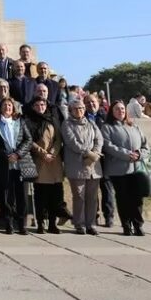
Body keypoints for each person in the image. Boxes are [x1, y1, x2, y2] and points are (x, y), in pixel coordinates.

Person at [102, 101, 149, 236]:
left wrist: (139, 154)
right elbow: (108, 146)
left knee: (137, 199)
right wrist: (127, 154)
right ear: (112, 111)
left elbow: (146, 146)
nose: (120, 111)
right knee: (123, 199)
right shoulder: (107, 127)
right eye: (117, 109)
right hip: (118, 170)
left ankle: (138, 225)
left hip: (136, 169)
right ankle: (126, 226)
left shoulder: (134, 126)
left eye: (122, 109)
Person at [0, 98, 33, 235]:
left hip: (19, 164)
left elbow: (28, 139)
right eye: (5, 105)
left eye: (10, 105)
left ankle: (22, 224)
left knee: (21, 195)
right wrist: (4, 155)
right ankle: (9, 222)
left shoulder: (20, 122)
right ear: (0, 108)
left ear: (13, 108)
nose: (7, 107)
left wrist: (18, 154)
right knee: (6, 195)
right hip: (3, 164)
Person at [62, 99, 104, 235]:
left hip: (93, 165)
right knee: (79, 196)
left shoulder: (91, 123)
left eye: (81, 108)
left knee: (92, 197)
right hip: (77, 165)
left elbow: (99, 139)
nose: (79, 110)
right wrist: (88, 153)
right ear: (70, 110)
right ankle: (79, 224)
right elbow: (72, 142)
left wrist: (96, 152)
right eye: (75, 108)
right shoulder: (67, 124)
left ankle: (91, 224)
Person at [24, 96, 63, 234]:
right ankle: (40, 223)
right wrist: (43, 153)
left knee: (54, 196)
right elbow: (29, 141)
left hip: (54, 161)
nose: (40, 107)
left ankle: (52, 224)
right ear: (33, 106)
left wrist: (52, 152)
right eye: (37, 105)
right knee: (41, 196)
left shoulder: (53, 120)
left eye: (43, 104)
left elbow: (58, 139)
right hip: (39, 162)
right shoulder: (28, 121)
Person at [85, 94, 113, 228]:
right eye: (88, 102)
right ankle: (93, 216)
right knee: (92, 190)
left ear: (99, 102)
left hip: (105, 157)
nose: (91, 104)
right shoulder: (82, 117)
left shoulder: (106, 117)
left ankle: (109, 216)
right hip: (89, 157)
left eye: (93, 102)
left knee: (107, 188)